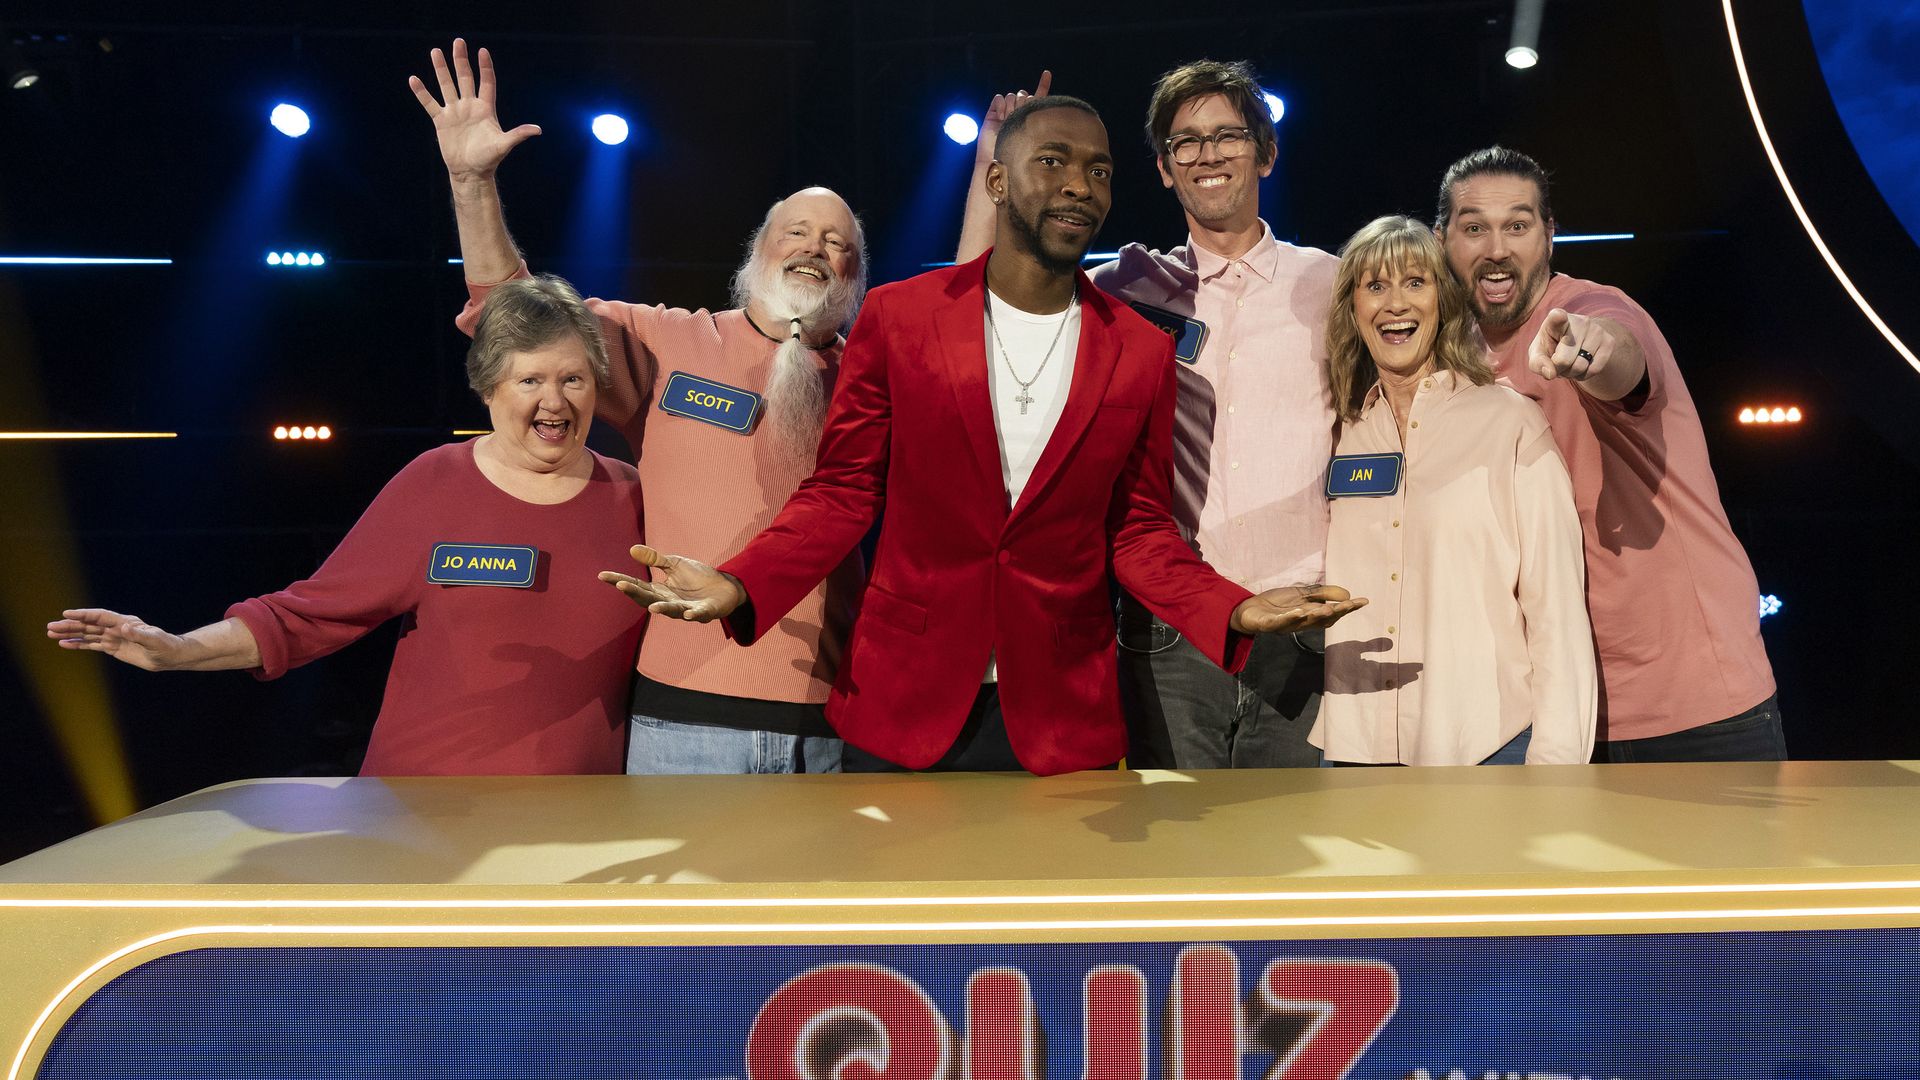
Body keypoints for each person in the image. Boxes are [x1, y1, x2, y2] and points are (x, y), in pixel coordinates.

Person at [600, 97, 1364, 776]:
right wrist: (742, 582)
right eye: (1054, 162)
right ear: (998, 182)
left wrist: (1230, 609)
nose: (1078, 185)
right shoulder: (901, 319)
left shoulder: (1139, 348)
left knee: (1053, 935)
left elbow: (1136, 530)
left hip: (1060, 714)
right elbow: (843, 491)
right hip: (905, 700)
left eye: (1098, 171)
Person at [410, 39, 867, 775]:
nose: (816, 248)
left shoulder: (871, 380)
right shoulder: (666, 342)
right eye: (797, 233)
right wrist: (471, 184)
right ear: (757, 253)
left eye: (838, 244)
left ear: (856, 277)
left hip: (834, 726)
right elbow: (514, 316)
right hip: (682, 717)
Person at [46, 277, 646, 775]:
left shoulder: (634, 496)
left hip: (585, 825)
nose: (555, 401)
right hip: (423, 817)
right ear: (488, 389)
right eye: (530, 380)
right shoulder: (435, 482)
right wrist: (178, 652)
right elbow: (306, 615)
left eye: (573, 379)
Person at [956, 61, 1336, 770]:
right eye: (1185, 142)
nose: (1208, 154)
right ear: (1164, 168)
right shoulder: (1121, 289)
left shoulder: (1334, 285)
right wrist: (994, 165)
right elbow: (976, 309)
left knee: (1288, 854)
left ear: (1266, 152)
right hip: (1169, 633)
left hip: (1304, 626)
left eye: (1228, 135)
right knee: (1179, 855)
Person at [1435, 147, 1783, 762]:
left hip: (1688, 698)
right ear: (1442, 240)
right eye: (1473, 227)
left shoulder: (1596, 310)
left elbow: (1620, 357)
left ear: (1549, 236)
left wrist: (1589, 353)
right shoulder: (1448, 354)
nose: (1495, 247)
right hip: (1551, 713)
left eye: (1517, 225)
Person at [1311, 216, 1595, 766]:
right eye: (1375, 286)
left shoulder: (1508, 421)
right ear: (1353, 309)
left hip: (1485, 746)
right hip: (1354, 748)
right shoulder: (1340, 433)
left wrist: (1559, 766)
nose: (1396, 303)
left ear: (1444, 300)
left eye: (1416, 283)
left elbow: (1556, 608)